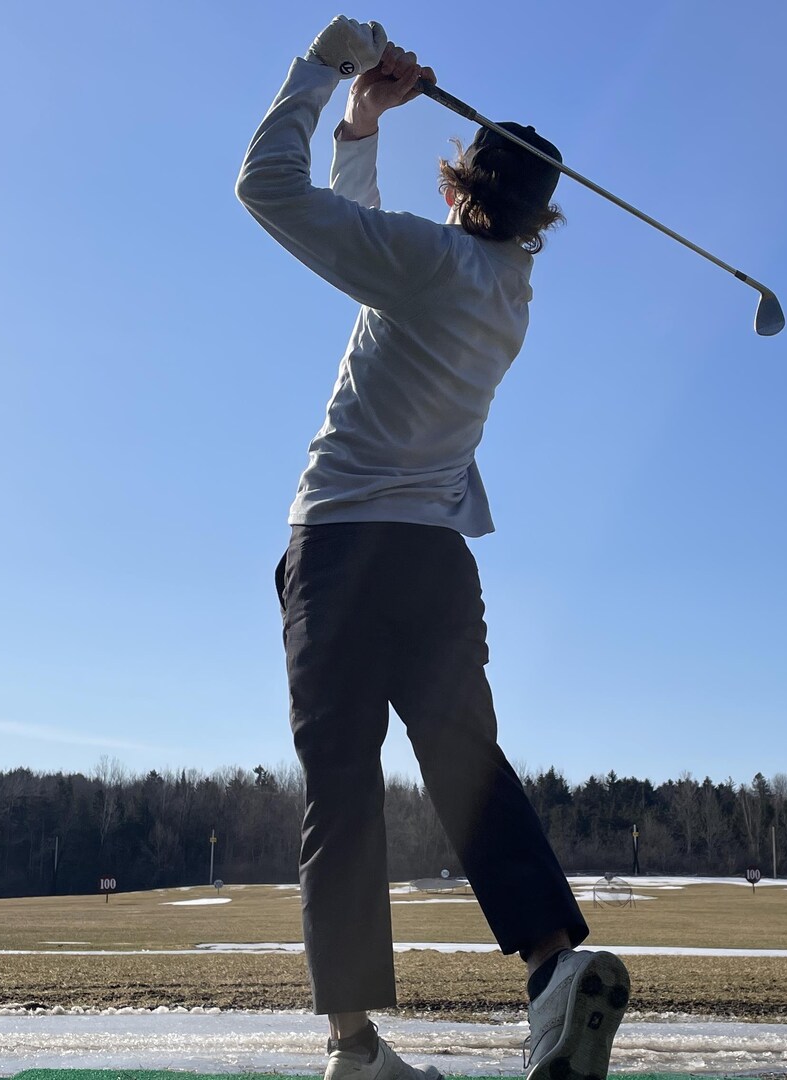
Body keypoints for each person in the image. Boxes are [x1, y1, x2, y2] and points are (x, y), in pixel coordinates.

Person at [236, 15, 632, 1080]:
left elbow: (266, 192)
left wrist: (325, 69)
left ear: (458, 184)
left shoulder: (427, 260)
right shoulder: (506, 292)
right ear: (539, 218)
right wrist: (365, 125)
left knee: (343, 792)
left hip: (337, 554)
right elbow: (365, 243)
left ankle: (353, 1044)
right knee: (466, 767)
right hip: (437, 565)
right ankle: (553, 973)